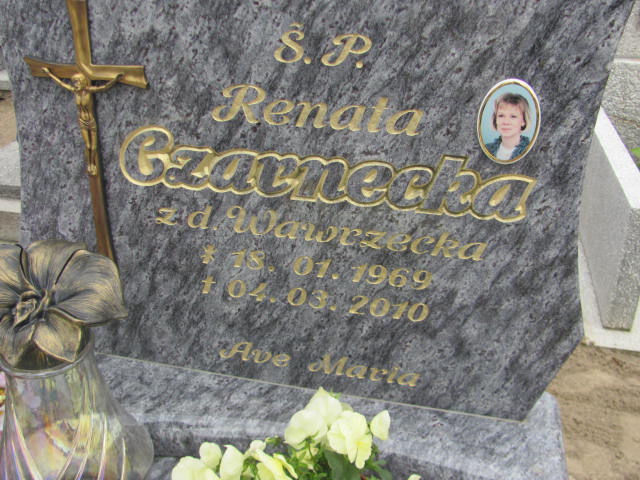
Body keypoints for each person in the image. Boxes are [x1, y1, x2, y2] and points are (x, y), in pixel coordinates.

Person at [485, 93, 531, 161]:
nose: (506, 122)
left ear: (524, 121)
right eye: (501, 116)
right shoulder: (487, 149)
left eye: (513, 116)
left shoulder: (532, 151)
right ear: (495, 119)